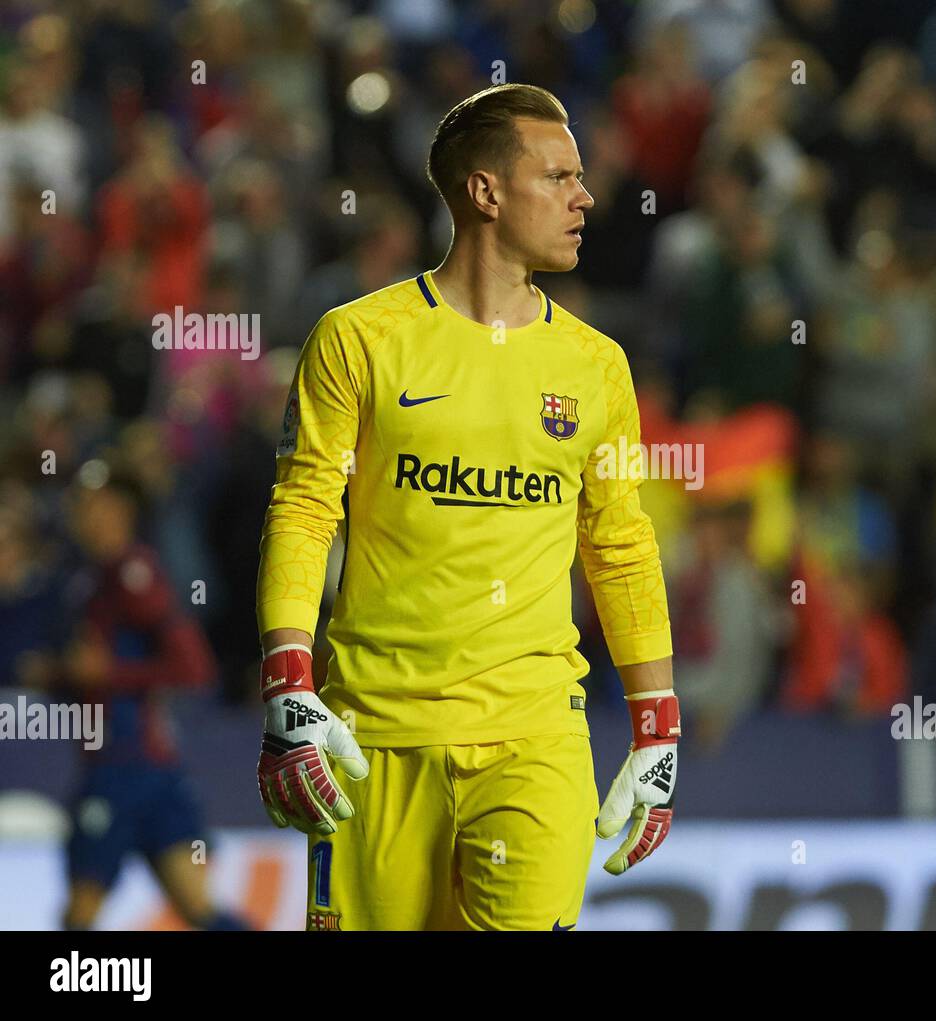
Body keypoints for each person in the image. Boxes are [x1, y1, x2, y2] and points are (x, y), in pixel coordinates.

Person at [254, 83, 679, 932]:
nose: (584, 197)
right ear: (485, 193)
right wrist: (286, 685)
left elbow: (620, 546)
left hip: (536, 738)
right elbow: (304, 511)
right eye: (558, 176)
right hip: (374, 734)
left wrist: (658, 726)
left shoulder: (598, 366)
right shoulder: (358, 338)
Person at [32, 463, 246, 931]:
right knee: (197, 908)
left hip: (126, 768)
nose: (82, 515)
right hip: (140, 768)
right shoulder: (87, 580)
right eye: (79, 504)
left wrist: (109, 672)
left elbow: (193, 667)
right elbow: (94, 672)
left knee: (81, 913)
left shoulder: (134, 574)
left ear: (120, 511)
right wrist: (59, 676)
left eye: (94, 504)